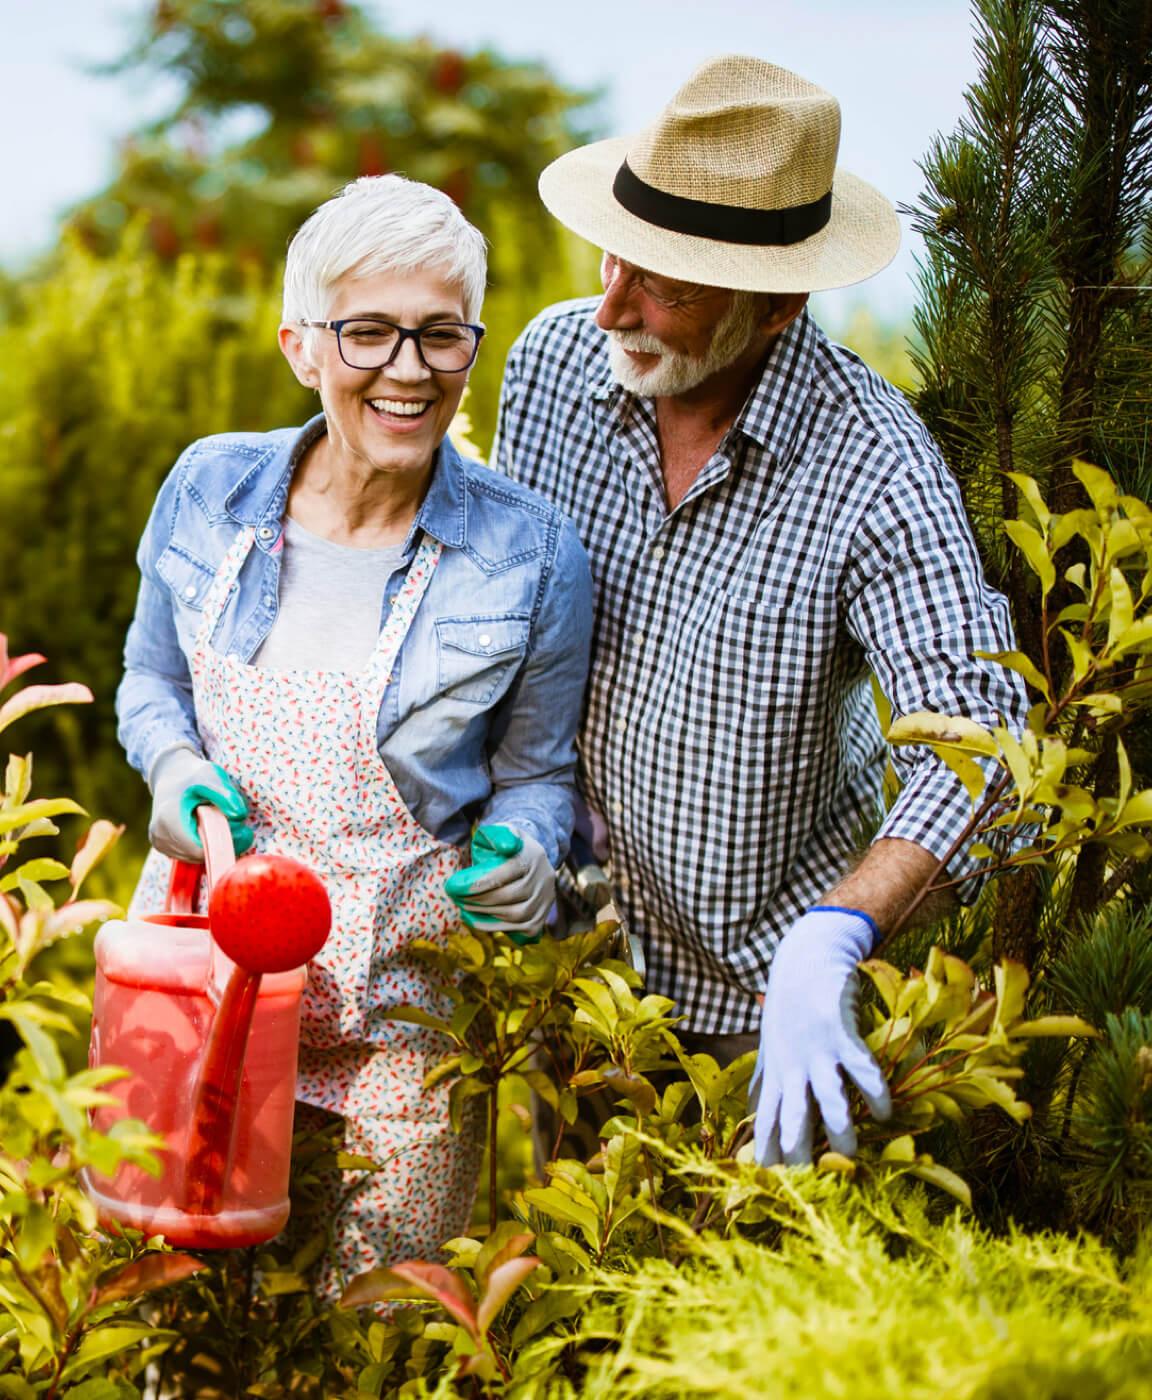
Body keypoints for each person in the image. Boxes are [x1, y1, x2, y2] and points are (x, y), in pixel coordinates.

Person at [493, 56, 1027, 1167]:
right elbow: (501, 626)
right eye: (615, 258)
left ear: (780, 302)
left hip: (765, 1015)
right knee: (569, 1312)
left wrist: (833, 939)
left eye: (667, 288)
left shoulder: (872, 463)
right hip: (579, 974)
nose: (612, 308)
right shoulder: (551, 367)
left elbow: (985, 744)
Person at [116, 175, 592, 1289]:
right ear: (301, 346)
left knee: (386, 1326)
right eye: (368, 331)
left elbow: (537, 779)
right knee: (184, 1315)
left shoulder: (529, 552)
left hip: (403, 1016)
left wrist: (524, 854)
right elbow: (147, 679)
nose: (409, 368)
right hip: (209, 967)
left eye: (441, 335)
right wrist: (174, 763)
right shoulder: (208, 488)